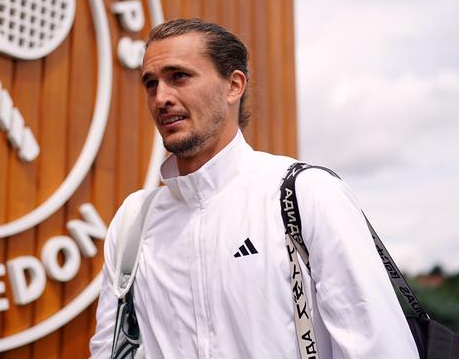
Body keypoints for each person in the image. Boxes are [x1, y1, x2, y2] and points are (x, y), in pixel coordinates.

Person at [89, 18, 418, 358]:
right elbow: (107, 351)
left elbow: (380, 347)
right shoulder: (134, 223)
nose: (161, 98)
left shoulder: (305, 195)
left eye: (179, 77)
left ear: (234, 86)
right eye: (150, 84)